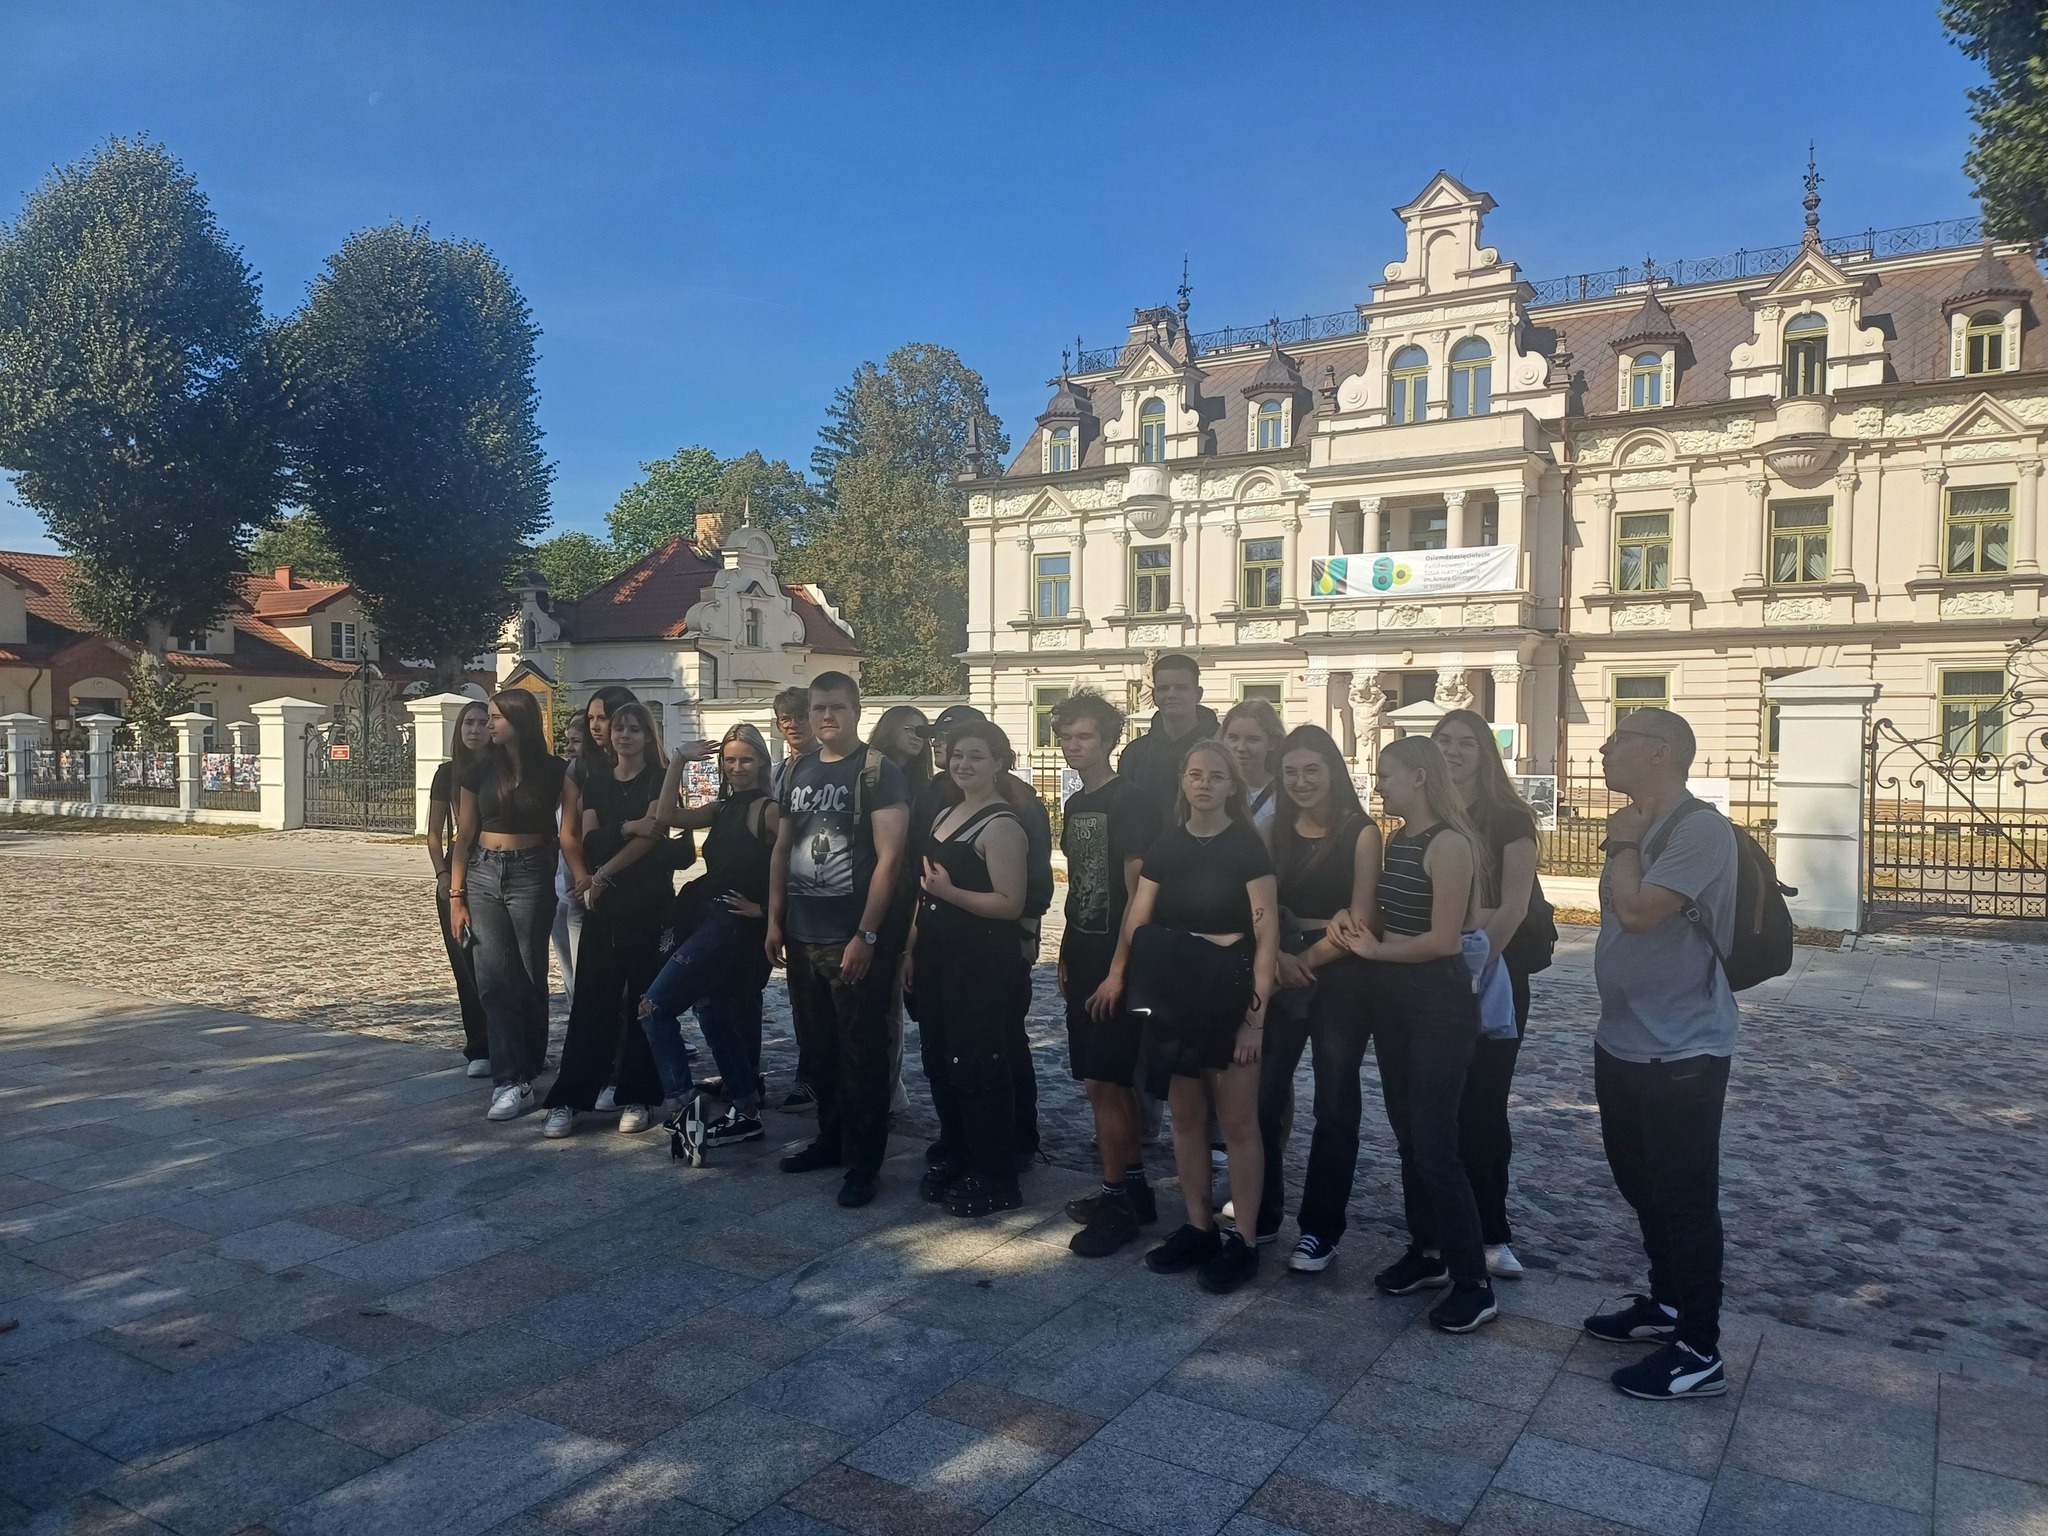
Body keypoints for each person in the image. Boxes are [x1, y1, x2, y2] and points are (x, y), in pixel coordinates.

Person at [1583, 706, 1739, 1401]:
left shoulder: (1700, 829)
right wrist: (1626, 840)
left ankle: (1699, 1348)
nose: (1605, 749)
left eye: (1620, 739)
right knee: (1638, 1180)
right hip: (1622, 1036)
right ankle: (1667, 1303)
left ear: (1662, 752)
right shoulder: (1639, 825)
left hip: (1683, 1048)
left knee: (1684, 1195)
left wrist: (1622, 844)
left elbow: (1641, 912)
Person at [1097, 740, 1277, 1295]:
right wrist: (1123, 970)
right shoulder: (1167, 845)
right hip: (1176, 994)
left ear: (1231, 786)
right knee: (1186, 1118)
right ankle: (1199, 1226)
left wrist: (1254, 1021)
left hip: (1230, 994)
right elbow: (1137, 917)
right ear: (1183, 780)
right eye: (1195, 774)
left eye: (1216, 776)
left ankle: (1244, 1239)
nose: (1204, 784)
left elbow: (1266, 936)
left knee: (1239, 1123)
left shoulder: (1247, 847)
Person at [1341, 735, 1498, 1333]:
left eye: (1387, 774)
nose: (1379, 783)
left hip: (1438, 1003)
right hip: (1395, 1002)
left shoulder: (1450, 843)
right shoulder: (1398, 839)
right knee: (1409, 1135)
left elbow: (1444, 939)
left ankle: (1473, 1281)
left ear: (1419, 778)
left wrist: (1376, 951)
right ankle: (1427, 1250)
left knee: (1435, 1144)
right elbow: (1389, 916)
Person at [766, 671, 910, 1207]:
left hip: (852, 936)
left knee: (862, 1051)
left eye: (837, 707)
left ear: (856, 711)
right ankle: (832, 1139)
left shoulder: (878, 771)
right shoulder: (798, 769)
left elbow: (890, 860)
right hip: (803, 933)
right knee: (818, 1048)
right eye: (818, 708)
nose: (827, 716)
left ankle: (865, 1163)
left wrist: (866, 934)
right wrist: (775, 919)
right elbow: (782, 848)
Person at [1257, 725, 1382, 1272]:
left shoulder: (1361, 832)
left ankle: (1320, 1229)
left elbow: (1362, 918)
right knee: (1263, 1095)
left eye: (1311, 770)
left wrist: (1302, 961)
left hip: (1341, 975)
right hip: (1280, 968)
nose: (1301, 781)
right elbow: (1258, 904)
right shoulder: (1273, 830)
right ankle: (1262, 1211)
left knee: (1334, 1103)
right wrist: (1277, 958)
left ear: (1332, 771)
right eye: (1290, 772)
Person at [906, 718, 1033, 1217]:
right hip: (937, 956)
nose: (964, 764)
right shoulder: (946, 813)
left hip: (979, 961)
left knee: (978, 1063)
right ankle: (958, 1150)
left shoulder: (1002, 826)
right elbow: (925, 892)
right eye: (958, 754)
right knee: (940, 1058)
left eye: (976, 756)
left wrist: (950, 893)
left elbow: (1009, 902)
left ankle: (996, 1172)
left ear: (998, 762)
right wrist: (911, 948)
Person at [1433, 707, 1542, 1280]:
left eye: (1465, 742)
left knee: (1484, 1105)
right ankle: (1439, 1228)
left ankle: (1492, 1231)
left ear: (1484, 754)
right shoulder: (1428, 815)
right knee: (1436, 1107)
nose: (1452, 751)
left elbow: (1514, 905)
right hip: (1434, 974)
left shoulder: (1510, 819)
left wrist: (1472, 965)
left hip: (1492, 976)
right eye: (1443, 741)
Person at [1052, 692, 1162, 1257]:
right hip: (1083, 951)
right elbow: (1080, 885)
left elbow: (1139, 896)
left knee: (1107, 1083)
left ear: (1110, 740)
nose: (1073, 746)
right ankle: (1133, 1190)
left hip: (1120, 962)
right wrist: (1067, 952)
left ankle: (1116, 1201)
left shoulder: (1133, 801)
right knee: (1101, 1082)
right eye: (1066, 737)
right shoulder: (1075, 804)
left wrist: (1119, 970)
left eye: (1085, 736)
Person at [638, 723, 780, 1146]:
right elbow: (666, 816)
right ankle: (746, 1106)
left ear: (762, 762)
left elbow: (793, 865)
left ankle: (683, 1106)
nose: (737, 767)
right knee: (711, 1010)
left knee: (654, 1007)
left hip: (731, 926)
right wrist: (679, 760)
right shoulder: (722, 807)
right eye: (730, 760)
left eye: (746, 760)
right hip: (707, 918)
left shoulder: (769, 810)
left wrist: (766, 911)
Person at [542, 701, 671, 1138]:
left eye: (633, 729)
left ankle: (638, 1094)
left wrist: (602, 874)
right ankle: (569, 1098)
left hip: (647, 902)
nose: (623, 736)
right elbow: (592, 839)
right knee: (591, 1001)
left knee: (641, 1001)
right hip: (605, 906)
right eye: (619, 729)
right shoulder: (596, 780)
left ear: (647, 735)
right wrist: (625, 829)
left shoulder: (657, 778)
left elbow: (654, 835)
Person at [448, 689, 572, 1121]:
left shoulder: (555, 770)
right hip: (482, 872)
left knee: (529, 973)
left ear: (520, 721)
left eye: (496, 717)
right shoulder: (479, 771)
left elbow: (566, 829)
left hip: (531, 871)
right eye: (487, 717)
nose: (488, 725)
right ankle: (509, 1080)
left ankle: (530, 1059)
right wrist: (456, 895)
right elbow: (463, 836)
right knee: (492, 978)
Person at [870, 705, 931, 1117]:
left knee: (892, 1000)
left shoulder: (923, 784)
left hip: (911, 893)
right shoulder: (871, 774)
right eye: (911, 729)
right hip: (874, 890)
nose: (919, 737)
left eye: (924, 732)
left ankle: (889, 1089)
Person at [427, 700, 492, 1077]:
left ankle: (518, 1042)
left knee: (504, 966)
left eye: (483, 722)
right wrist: (442, 875)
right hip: (457, 871)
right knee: (466, 962)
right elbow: (434, 834)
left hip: (498, 863)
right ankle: (480, 1046)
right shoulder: (446, 774)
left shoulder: (503, 769)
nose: (475, 730)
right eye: (469, 722)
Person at [769, 683, 819, 1111]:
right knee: (801, 996)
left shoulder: (828, 767)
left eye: (800, 716)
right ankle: (810, 1074)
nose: (793, 725)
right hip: (786, 889)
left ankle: (818, 1076)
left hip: (820, 888)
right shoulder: (777, 772)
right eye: (786, 718)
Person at [1115, 654, 1220, 821]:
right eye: (1163, 688)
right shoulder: (1135, 753)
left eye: (1181, 688)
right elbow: (1124, 810)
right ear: (1154, 695)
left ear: (1198, 694)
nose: (1171, 694)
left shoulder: (1222, 748)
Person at [551, 714, 589, 1003]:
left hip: (584, 889)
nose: (569, 747)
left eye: (576, 741)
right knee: (570, 972)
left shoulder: (596, 785)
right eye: (568, 741)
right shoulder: (563, 783)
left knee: (585, 970)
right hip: (560, 889)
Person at [1219, 698, 1285, 843]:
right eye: (1233, 738)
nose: (1241, 748)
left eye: (1252, 739)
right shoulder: (1213, 788)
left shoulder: (1286, 793)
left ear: (1272, 743)